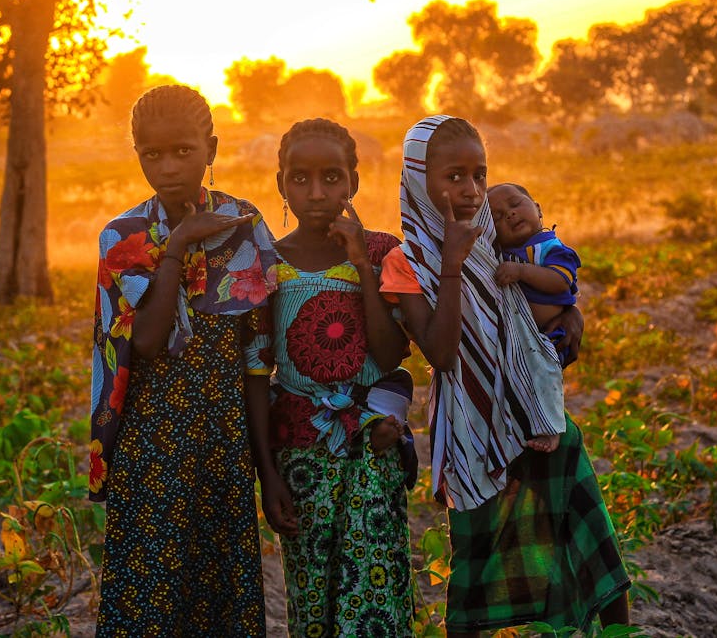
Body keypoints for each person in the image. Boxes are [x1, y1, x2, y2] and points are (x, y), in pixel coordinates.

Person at [379, 115, 630, 637]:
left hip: (537, 419)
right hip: (473, 433)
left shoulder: (497, 236)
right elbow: (442, 354)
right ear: (417, 178)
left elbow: (545, 294)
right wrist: (452, 262)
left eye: (479, 175)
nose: (470, 191)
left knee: (586, 540)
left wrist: (570, 315)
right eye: (453, 177)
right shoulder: (407, 263)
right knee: (475, 565)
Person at [89, 84, 278, 637]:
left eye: (183, 151)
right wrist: (176, 246)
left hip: (223, 445)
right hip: (149, 448)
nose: (168, 166)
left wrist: (266, 469)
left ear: (211, 149)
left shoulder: (245, 229)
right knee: (148, 603)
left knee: (223, 603)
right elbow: (145, 342)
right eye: (152, 154)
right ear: (138, 155)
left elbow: (257, 361)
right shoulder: (122, 237)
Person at [253, 117, 417, 636]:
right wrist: (268, 474)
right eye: (300, 179)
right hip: (299, 455)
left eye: (331, 177)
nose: (316, 192)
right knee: (312, 600)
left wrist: (361, 267)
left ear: (353, 182)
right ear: (281, 184)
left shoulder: (381, 251)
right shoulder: (268, 262)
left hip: (373, 447)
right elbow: (257, 371)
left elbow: (391, 356)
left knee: (378, 596)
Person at [488, 182, 582, 367]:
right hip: (515, 343)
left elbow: (561, 281)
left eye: (515, 204)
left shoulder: (551, 248)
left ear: (538, 209)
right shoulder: (501, 254)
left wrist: (521, 271)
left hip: (551, 335)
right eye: (497, 217)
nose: (510, 214)